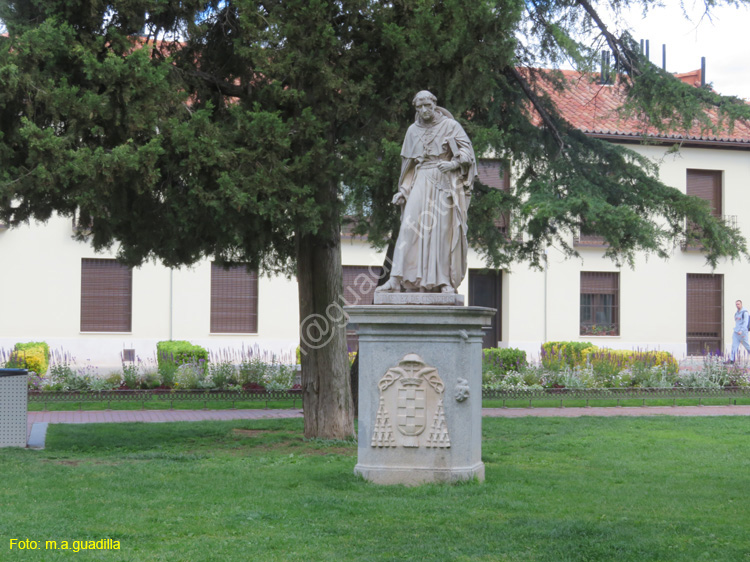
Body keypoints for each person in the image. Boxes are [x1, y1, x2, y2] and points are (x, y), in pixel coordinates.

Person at [376, 90, 477, 294]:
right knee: (408, 228)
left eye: (427, 106)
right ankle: (396, 278)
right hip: (420, 178)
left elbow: (468, 154)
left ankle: (443, 281)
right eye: (419, 107)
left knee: (440, 232)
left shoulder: (450, 125)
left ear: (434, 105)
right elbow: (409, 167)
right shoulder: (412, 131)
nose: (424, 110)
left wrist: (453, 163)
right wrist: (403, 191)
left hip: (444, 180)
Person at [727, 299, 750, 364]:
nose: (737, 305)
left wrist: (741, 330)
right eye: (736, 304)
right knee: (734, 346)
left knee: (747, 346)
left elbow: (745, 323)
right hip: (736, 332)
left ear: (741, 304)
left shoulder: (744, 312)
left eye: (738, 304)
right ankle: (732, 360)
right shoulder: (736, 313)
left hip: (743, 333)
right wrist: (737, 330)